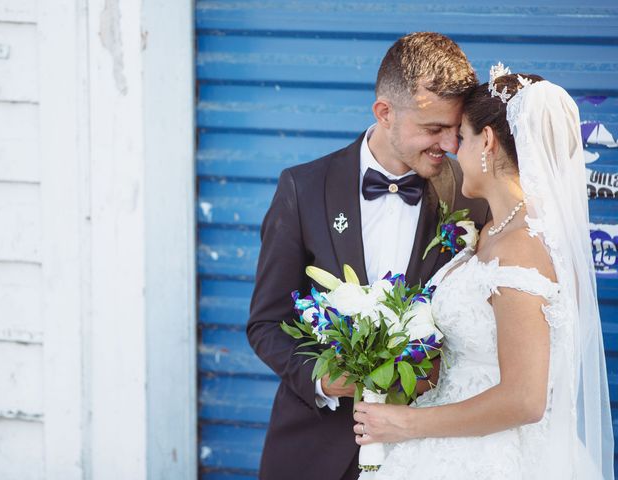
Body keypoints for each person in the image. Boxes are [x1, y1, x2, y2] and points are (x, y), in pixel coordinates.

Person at [246, 32, 489, 480]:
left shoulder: (472, 196)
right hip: (316, 448)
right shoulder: (303, 189)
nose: (450, 144)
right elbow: (265, 323)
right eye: (434, 129)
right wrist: (323, 380)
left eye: (455, 129)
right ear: (384, 113)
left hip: (431, 453)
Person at [352, 70, 615, 479]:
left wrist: (403, 423)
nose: (454, 150)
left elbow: (526, 399)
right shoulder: (495, 229)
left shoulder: (522, 248)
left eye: (464, 137)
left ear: (488, 142)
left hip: (494, 460)